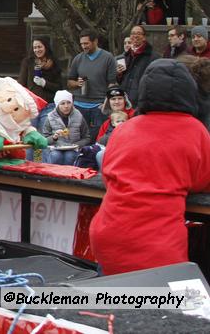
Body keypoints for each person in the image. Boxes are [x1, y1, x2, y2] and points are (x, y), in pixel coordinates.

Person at [89, 59, 210, 275]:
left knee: (108, 302)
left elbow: (109, 176)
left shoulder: (125, 129)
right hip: (158, 245)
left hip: (108, 235)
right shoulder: (196, 131)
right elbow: (203, 180)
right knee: (161, 306)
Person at [67, 30, 117, 131]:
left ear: (95, 42)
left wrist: (107, 103)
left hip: (99, 105)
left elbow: (112, 83)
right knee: (78, 136)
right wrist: (77, 83)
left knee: (98, 136)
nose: (84, 46)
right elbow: (69, 82)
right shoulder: (78, 59)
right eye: (81, 44)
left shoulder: (108, 58)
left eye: (86, 43)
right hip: (79, 105)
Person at [40, 90, 90, 165]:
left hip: (73, 148)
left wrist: (77, 145)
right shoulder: (50, 118)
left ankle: (69, 175)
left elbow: (87, 137)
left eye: (69, 102)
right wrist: (54, 137)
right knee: (56, 155)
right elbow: (43, 140)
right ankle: (54, 174)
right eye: (62, 103)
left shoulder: (79, 116)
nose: (66, 106)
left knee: (69, 155)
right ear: (57, 105)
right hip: (56, 148)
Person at [17, 38, 62, 107]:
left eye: (39, 47)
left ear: (46, 47)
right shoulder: (28, 62)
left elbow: (59, 87)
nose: (37, 50)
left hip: (49, 102)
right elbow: (21, 83)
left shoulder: (54, 63)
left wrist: (45, 83)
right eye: (35, 48)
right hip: (32, 102)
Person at [117, 25, 154, 105]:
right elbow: (119, 80)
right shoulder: (125, 56)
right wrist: (119, 74)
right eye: (133, 33)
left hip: (140, 101)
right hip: (124, 99)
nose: (135, 36)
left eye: (138, 33)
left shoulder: (153, 57)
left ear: (144, 37)